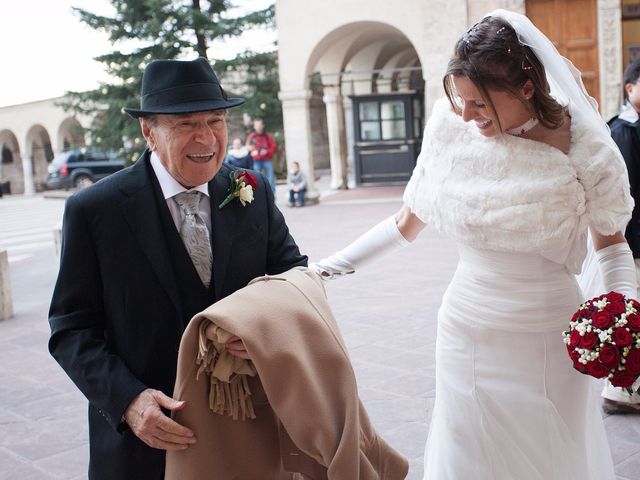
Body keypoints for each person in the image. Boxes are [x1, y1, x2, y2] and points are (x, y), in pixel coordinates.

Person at [313, 10, 636, 480]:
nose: (465, 115)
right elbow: (404, 224)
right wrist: (323, 270)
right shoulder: (451, 132)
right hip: (466, 327)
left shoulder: (588, 150)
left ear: (526, 88)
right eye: (460, 100)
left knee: (548, 453)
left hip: (546, 334)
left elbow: (611, 247)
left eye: (480, 103)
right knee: (469, 452)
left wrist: (623, 316)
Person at [47, 57, 307, 480]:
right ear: (148, 131)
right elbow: (71, 330)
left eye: (216, 119)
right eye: (186, 124)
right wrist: (129, 401)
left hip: (249, 429)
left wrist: (266, 325)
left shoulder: (252, 190)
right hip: (147, 445)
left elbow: (293, 276)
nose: (206, 137)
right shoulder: (95, 211)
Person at [602, 58, 640, 414]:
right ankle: (621, 390)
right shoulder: (623, 130)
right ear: (631, 89)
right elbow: (627, 195)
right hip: (634, 240)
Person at [246, 118, 277, 195]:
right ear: (254, 126)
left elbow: (274, 147)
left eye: (260, 125)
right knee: (256, 179)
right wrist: (253, 151)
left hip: (267, 160)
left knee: (270, 179)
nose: (258, 127)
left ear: (263, 126)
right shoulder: (251, 136)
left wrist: (266, 151)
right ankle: (260, 196)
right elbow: (247, 147)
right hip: (256, 160)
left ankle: (272, 197)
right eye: (257, 125)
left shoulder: (268, 136)